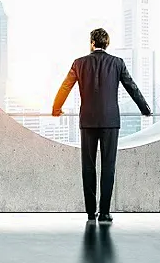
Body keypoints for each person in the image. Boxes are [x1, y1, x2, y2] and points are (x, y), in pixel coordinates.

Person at [52, 28, 150, 224]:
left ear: (91, 43)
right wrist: (145, 108)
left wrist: (56, 108)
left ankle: (90, 213)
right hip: (110, 122)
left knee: (88, 167)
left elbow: (65, 86)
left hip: (87, 121)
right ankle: (104, 212)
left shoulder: (79, 63)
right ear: (107, 44)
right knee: (108, 166)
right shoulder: (117, 63)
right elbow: (132, 86)